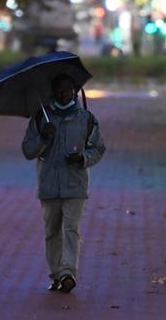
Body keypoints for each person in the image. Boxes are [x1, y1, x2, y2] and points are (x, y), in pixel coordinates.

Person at [22, 74, 106, 293]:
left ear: (75, 92)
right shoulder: (41, 119)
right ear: (52, 92)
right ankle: (57, 274)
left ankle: (68, 272)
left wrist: (83, 159)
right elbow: (27, 151)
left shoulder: (86, 118)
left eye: (67, 90)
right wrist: (43, 138)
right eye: (59, 90)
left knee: (71, 229)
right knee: (52, 232)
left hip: (75, 186)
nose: (63, 94)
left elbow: (98, 148)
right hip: (48, 186)